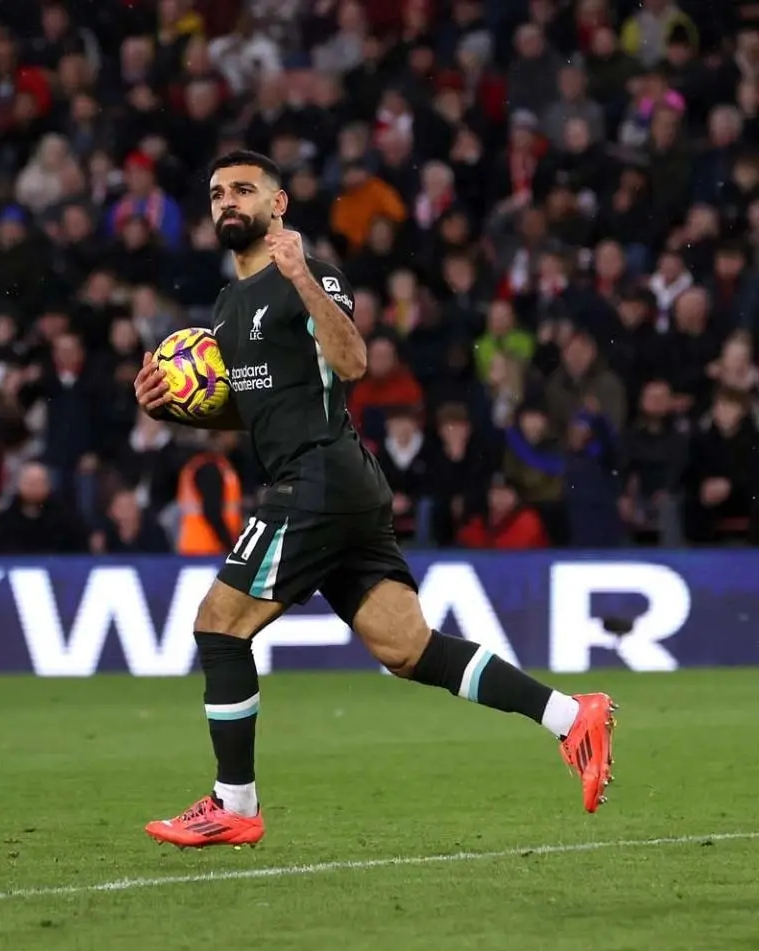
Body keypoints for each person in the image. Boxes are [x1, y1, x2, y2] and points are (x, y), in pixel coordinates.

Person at [132, 151, 616, 849]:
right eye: (216, 193)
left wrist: (300, 275)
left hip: (318, 476)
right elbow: (260, 408)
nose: (227, 201)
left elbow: (353, 364)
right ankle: (573, 717)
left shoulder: (313, 272)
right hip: (335, 482)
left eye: (244, 189)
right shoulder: (228, 304)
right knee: (406, 646)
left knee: (219, 625)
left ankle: (233, 802)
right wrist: (173, 412)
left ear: (279, 204)